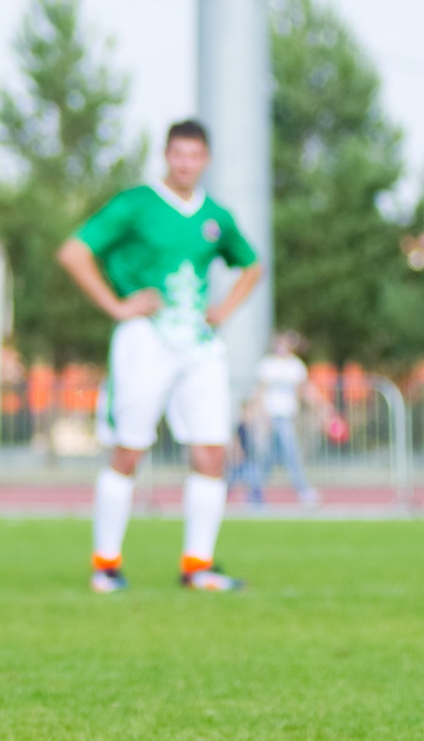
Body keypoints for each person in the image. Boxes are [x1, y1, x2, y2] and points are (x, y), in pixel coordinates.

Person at [56, 121, 265, 591]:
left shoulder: (216, 216)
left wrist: (224, 310)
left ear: (205, 160)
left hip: (198, 344)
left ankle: (198, 566)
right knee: (129, 450)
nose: (186, 163)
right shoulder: (136, 204)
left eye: (194, 155)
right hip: (145, 339)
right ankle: (105, 564)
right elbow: (73, 252)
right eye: (178, 154)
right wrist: (116, 305)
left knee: (212, 452)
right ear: (166, 156)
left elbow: (253, 265)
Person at [235, 331, 335, 506]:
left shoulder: (296, 366)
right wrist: (257, 415)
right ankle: (257, 493)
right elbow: (259, 392)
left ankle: (301, 490)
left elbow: (305, 391)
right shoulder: (267, 365)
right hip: (269, 418)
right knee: (267, 458)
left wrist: (324, 407)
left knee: (290, 454)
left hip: (286, 417)